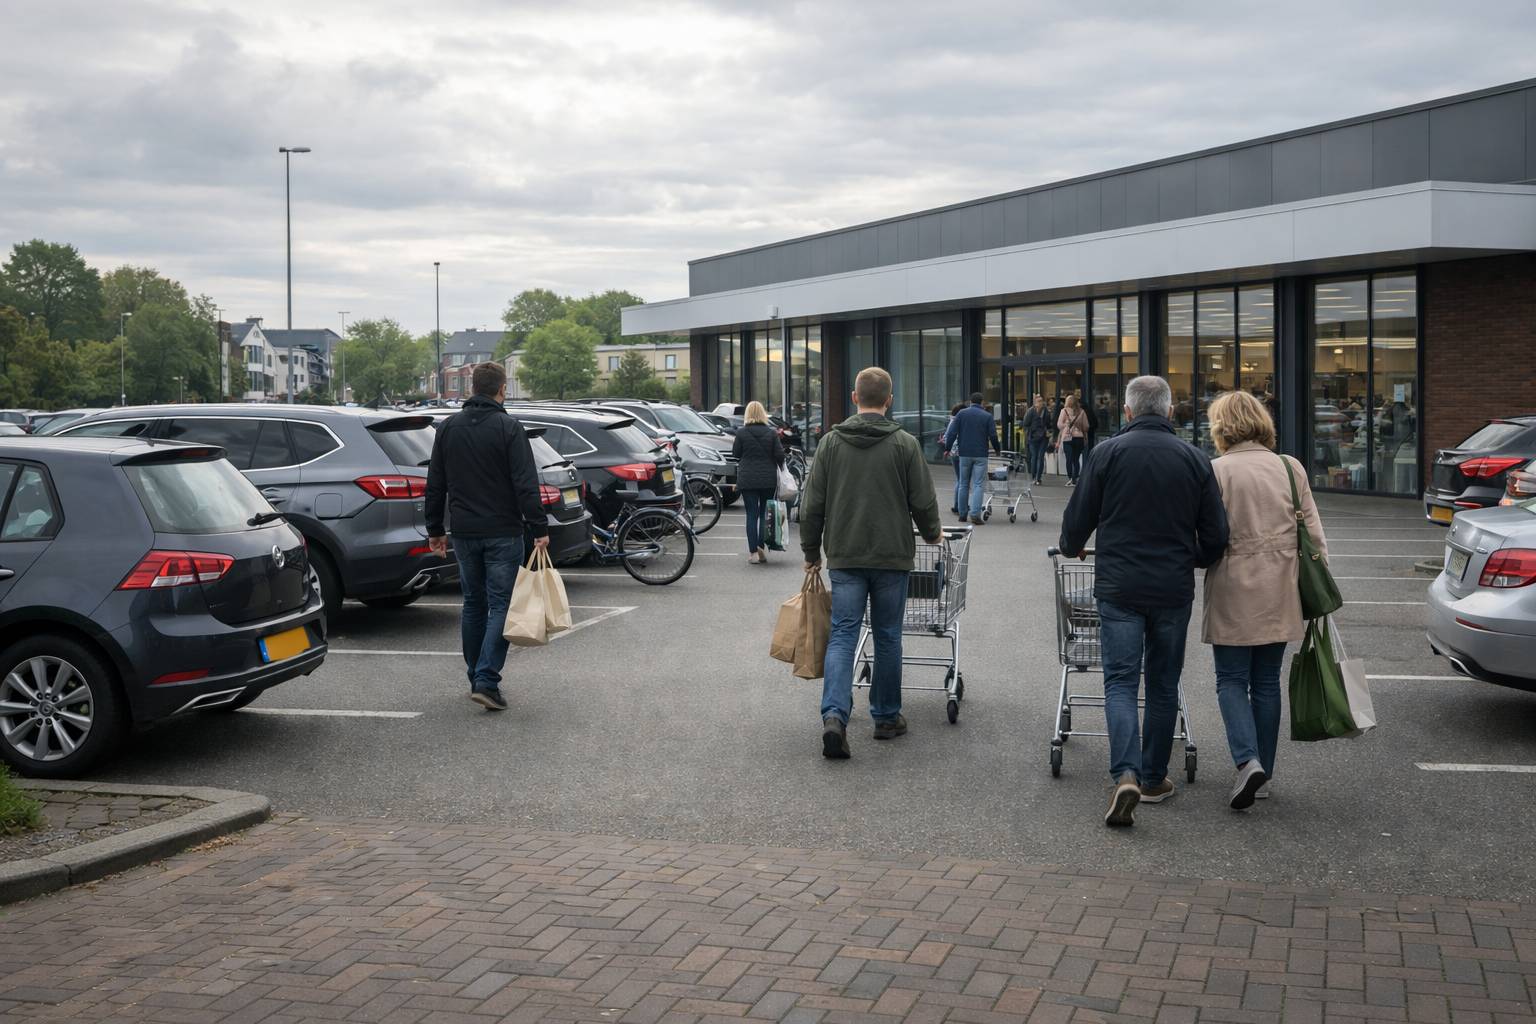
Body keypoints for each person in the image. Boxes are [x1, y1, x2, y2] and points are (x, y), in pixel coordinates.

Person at [1058, 376, 1228, 827]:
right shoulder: (1195, 460)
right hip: (1172, 589)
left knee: (1119, 680)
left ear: (1129, 413)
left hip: (1119, 587)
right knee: (1162, 681)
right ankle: (1153, 778)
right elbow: (1216, 535)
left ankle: (1125, 774)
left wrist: (1073, 542)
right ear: (1170, 412)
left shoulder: (1107, 453)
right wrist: (1190, 558)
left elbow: (1079, 518)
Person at [801, 367, 943, 759]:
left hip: (845, 555)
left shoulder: (830, 443)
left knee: (844, 634)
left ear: (853, 397)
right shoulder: (905, 444)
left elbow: (811, 506)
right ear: (889, 400)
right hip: (891, 555)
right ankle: (885, 716)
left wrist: (811, 554)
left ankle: (834, 715)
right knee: (888, 635)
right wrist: (932, 532)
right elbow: (923, 499)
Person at [1203, 390, 1327, 809]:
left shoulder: (1216, 471)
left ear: (1221, 427)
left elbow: (1205, 535)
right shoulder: (1290, 468)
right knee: (1267, 681)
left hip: (1234, 583)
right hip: (1282, 584)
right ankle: (1265, 773)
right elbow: (1314, 536)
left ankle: (1247, 760)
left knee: (1231, 680)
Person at [425, 362, 550, 712]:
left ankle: (475, 675)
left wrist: (435, 529)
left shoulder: (448, 429)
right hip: (503, 531)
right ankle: (486, 680)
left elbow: (436, 484)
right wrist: (539, 528)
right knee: (501, 604)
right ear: (502, 389)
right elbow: (525, 484)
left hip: (464, 532)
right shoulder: (509, 428)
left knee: (474, 604)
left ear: (471, 388)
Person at [731, 400, 785, 564]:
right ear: (762, 414)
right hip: (768, 479)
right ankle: (761, 547)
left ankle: (753, 552)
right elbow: (780, 455)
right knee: (764, 515)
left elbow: (736, 454)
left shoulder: (741, 433)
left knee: (751, 515)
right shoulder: (771, 433)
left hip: (747, 479)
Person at [941, 392, 1001, 525]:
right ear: (982, 402)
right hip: (981, 454)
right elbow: (993, 435)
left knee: (963, 483)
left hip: (964, 453)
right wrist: (997, 449)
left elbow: (952, 433)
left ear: (970, 402)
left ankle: (962, 514)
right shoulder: (987, 416)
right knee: (978, 484)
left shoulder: (961, 414)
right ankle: (975, 514)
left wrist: (947, 448)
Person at [1057, 393, 1090, 485]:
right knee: (1076, 459)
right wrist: (1080, 427)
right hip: (1079, 438)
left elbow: (1059, 425)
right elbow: (1086, 426)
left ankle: (1071, 477)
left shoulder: (1063, 411)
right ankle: (1075, 478)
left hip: (1067, 438)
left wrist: (1066, 425)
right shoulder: (1082, 412)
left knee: (1069, 458)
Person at [1021, 394, 1051, 485]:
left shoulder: (1046, 412)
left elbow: (1049, 424)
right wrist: (1029, 433)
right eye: (1038, 401)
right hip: (1033, 437)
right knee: (1034, 456)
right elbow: (1025, 424)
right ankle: (1033, 476)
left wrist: (1048, 431)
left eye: (1041, 401)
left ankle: (1038, 477)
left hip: (1043, 438)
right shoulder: (1030, 411)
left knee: (1040, 457)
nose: (1040, 403)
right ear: (1035, 403)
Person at [943, 402, 965, 515]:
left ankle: (957, 504)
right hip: (961, 452)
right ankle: (959, 505)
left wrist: (947, 448)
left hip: (952, 453)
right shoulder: (961, 421)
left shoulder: (952, 421)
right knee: (962, 480)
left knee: (959, 479)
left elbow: (947, 436)